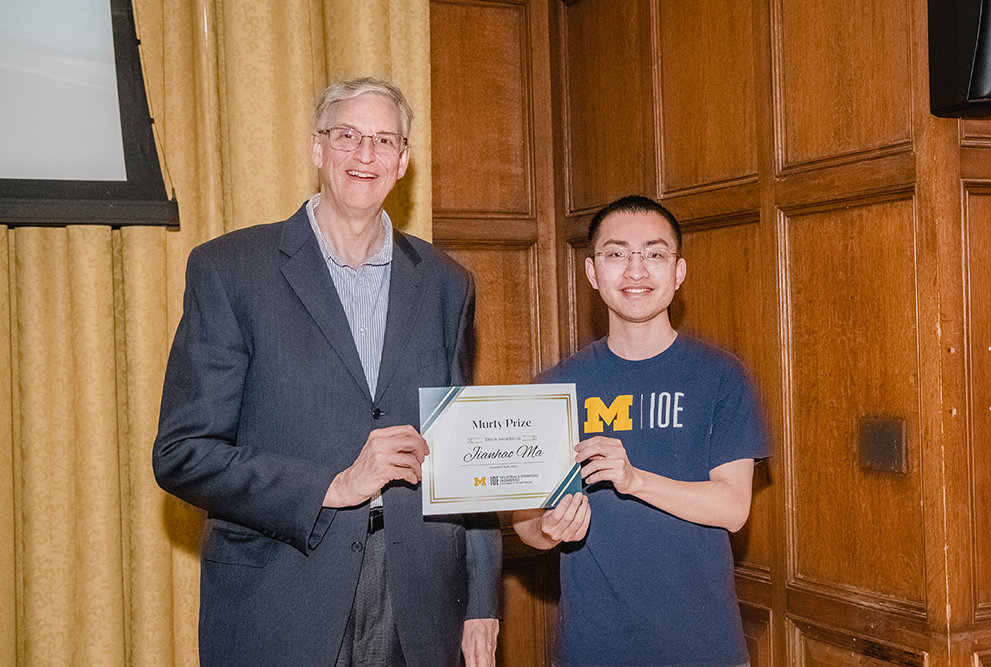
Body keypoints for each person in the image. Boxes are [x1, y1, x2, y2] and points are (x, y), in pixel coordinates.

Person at [153, 77, 501, 666]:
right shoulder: (230, 269)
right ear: (318, 149)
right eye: (348, 136)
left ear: (403, 161)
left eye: (383, 141)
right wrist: (331, 487)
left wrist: (482, 599)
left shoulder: (447, 284)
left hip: (419, 600)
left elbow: (465, 452)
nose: (365, 155)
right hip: (282, 592)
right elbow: (184, 453)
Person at [513, 195, 769, 667]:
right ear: (592, 273)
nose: (635, 271)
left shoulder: (720, 376)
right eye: (616, 254)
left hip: (703, 647)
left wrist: (635, 480)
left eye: (654, 254)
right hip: (592, 648)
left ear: (678, 272)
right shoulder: (553, 388)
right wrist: (547, 530)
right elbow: (524, 523)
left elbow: (733, 508)